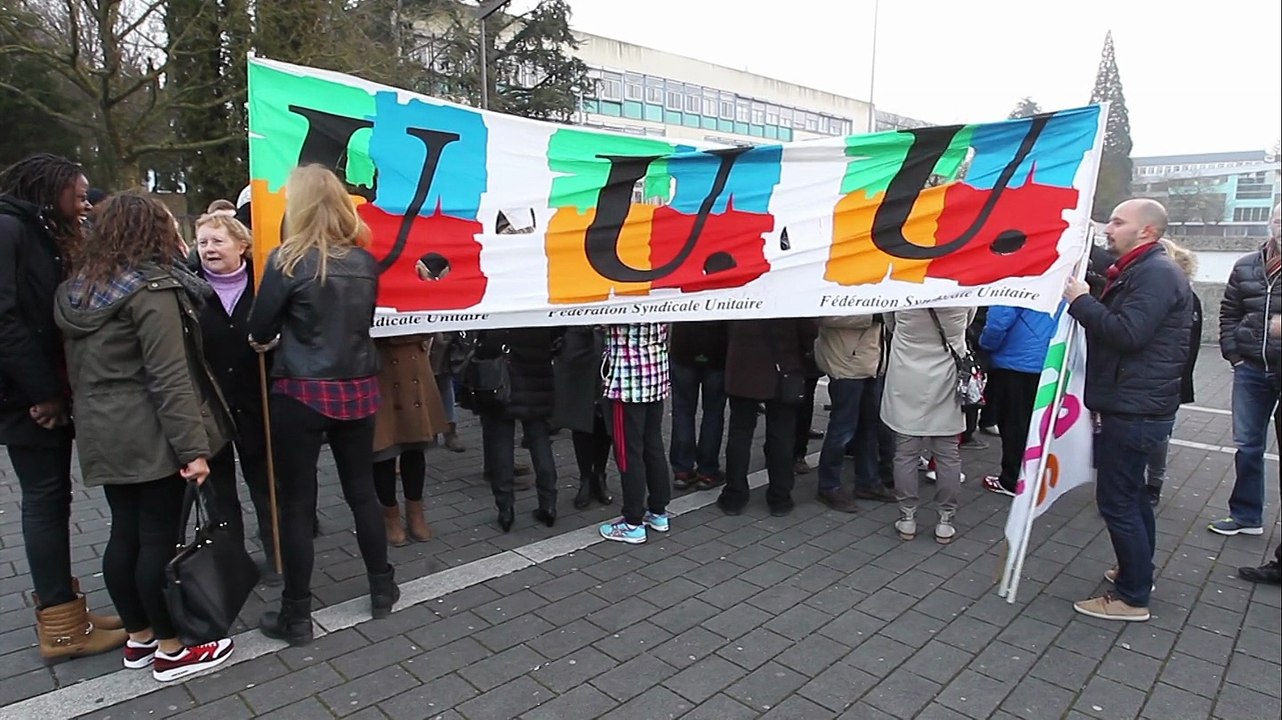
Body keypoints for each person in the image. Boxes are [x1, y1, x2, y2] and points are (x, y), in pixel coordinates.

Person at [54, 192, 236, 680]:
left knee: (125, 534)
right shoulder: (151, 291)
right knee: (159, 539)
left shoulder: (77, 290)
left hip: (102, 429)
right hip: (152, 429)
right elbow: (170, 376)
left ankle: (138, 638)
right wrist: (194, 449)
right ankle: (174, 648)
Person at [249, 165, 398, 646]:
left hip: (300, 391)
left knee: (297, 504)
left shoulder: (286, 261)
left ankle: (297, 615)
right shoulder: (365, 263)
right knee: (362, 492)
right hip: (357, 387)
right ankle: (382, 587)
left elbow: (259, 329)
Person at [0, 153, 126, 660]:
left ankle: (67, 610)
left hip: (36, 389)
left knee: (53, 500)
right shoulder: (10, 230)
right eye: (78, 194)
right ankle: (61, 627)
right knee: (46, 500)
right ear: (49, 189)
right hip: (24, 396)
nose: (84, 202)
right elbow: (5, 320)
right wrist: (43, 394)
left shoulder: (33, 228)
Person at [1063, 198, 1191, 622]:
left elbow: (1127, 333)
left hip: (1134, 407)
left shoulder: (1155, 274)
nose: (1109, 227)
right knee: (1133, 498)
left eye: (1119, 222)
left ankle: (1132, 596)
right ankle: (1137, 571)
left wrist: (1081, 301)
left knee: (1118, 501)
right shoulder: (1144, 270)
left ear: (1147, 232)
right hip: (1134, 402)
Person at [191, 210, 279, 580]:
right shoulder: (188, 289)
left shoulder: (265, 284)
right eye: (203, 243)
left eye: (218, 241)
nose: (209, 249)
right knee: (219, 491)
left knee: (266, 483)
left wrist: (276, 342)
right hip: (210, 406)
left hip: (257, 399)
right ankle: (234, 564)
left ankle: (278, 555)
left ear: (242, 245)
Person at [1210, 203, 1280, 536]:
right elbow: (1229, 312)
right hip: (1250, 368)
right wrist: (1233, 354)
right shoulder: (1246, 265)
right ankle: (1246, 516)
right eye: (1280, 220)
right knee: (1248, 446)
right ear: (1270, 223)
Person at [881, 307, 972, 544]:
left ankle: (907, 516)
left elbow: (890, 322)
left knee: (905, 453)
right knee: (948, 454)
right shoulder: (964, 289)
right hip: (946, 376)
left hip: (906, 373)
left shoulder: (903, 289)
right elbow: (968, 321)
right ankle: (945, 520)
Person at [719, 319, 816, 518]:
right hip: (782, 370)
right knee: (781, 436)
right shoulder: (790, 293)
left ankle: (734, 496)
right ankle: (780, 498)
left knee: (740, 435)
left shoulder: (739, 291)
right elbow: (808, 331)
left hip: (742, 368)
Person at [468, 326, 559, 531]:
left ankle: (505, 509)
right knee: (539, 439)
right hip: (538, 374)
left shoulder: (497, 303)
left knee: (500, 442)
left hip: (502, 378)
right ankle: (548, 504)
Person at [599, 323, 672, 543]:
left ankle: (633, 521)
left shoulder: (622, 296)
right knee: (653, 445)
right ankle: (658, 511)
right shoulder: (661, 293)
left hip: (627, 379)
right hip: (655, 373)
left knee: (628, 452)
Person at [372, 334, 448, 545]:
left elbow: (431, 323)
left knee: (415, 447)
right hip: (380, 367)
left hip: (413, 363)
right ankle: (390, 517)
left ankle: (416, 514)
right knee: (383, 450)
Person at [815, 313, 894, 512]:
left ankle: (867, 481)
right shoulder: (834, 283)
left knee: (869, 425)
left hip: (872, 362)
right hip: (846, 363)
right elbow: (822, 316)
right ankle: (828, 485)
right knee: (842, 428)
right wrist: (870, 317)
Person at [1144, 238, 1202, 506]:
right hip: (1156, 379)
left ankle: (1153, 483)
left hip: (1166, 381)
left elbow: (1189, 347)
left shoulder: (1186, 298)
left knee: (1158, 436)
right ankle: (1142, 483)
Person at [978, 305, 1057, 497]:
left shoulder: (1019, 281)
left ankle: (1013, 480)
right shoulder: (1060, 278)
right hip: (1050, 359)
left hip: (1015, 361)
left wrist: (986, 344)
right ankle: (1035, 474)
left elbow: (998, 321)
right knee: (1037, 423)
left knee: (1015, 424)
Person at [552, 325, 613, 509]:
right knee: (579, 416)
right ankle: (585, 477)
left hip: (608, 341)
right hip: (578, 341)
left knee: (605, 417)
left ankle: (600, 475)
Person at [668, 321, 728, 491]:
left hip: (684, 346)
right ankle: (707, 471)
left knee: (682, 411)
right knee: (713, 413)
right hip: (718, 351)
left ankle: (682, 469)